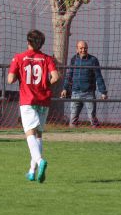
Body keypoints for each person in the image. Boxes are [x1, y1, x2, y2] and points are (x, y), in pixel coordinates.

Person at [7, 29, 60, 183]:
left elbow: (10, 80)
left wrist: (17, 74)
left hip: (28, 100)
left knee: (30, 133)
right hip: (43, 100)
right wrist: (45, 84)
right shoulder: (47, 58)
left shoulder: (19, 58)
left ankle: (40, 161)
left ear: (28, 41)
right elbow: (56, 77)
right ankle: (32, 171)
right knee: (38, 135)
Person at [60, 40, 108, 128]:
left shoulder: (93, 60)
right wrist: (65, 88)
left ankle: (98, 135)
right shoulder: (74, 59)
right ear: (77, 49)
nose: (83, 50)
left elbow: (99, 76)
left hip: (89, 93)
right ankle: (73, 138)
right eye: (81, 48)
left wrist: (103, 92)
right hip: (75, 93)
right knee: (73, 119)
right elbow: (69, 75)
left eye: (85, 48)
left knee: (92, 117)